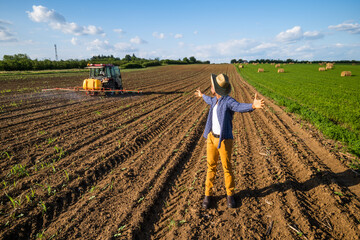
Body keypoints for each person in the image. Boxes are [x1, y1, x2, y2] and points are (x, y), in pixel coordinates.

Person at [194, 73, 264, 209]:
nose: (211, 87)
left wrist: (252, 106)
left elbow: (238, 107)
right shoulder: (214, 100)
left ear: (217, 89)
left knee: (227, 168)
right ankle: (208, 194)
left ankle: (230, 195)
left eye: (212, 86)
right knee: (210, 167)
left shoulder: (228, 101)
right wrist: (202, 95)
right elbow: (208, 99)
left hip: (224, 140)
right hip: (211, 139)